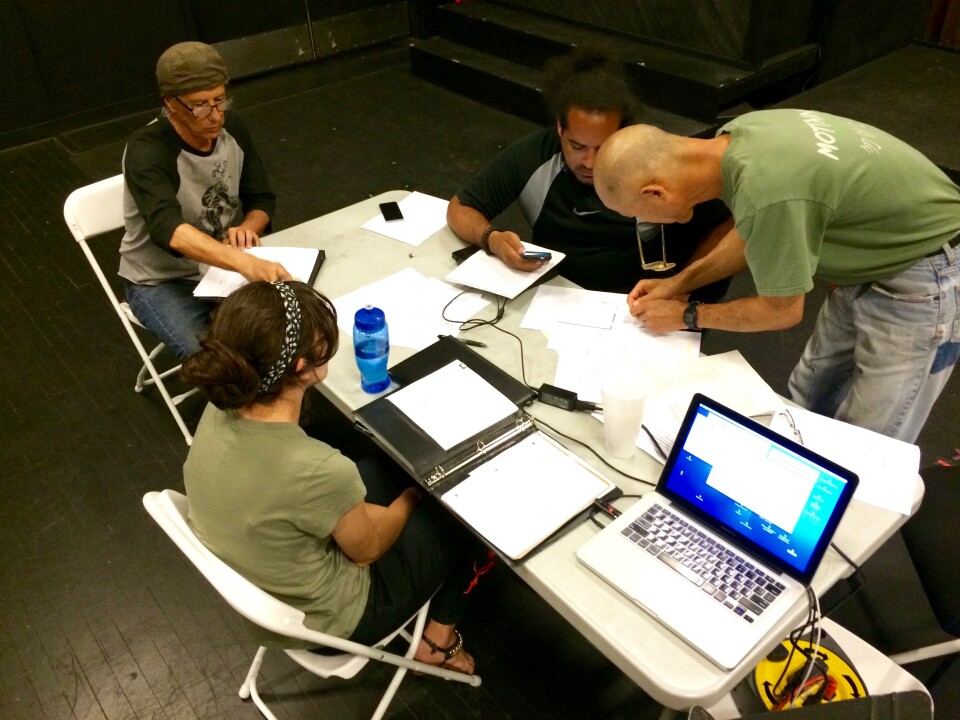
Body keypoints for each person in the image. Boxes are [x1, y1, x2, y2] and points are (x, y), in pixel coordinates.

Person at [593, 109, 960, 442]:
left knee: (869, 439)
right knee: (805, 400)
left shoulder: (768, 187)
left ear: (656, 192)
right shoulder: (738, 137)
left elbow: (781, 311)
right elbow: (756, 230)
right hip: (874, 252)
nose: (645, 222)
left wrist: (687, 315)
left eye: (638, 214)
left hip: (927, 270)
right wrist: (678, 284)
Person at [181, 280, 488, 673]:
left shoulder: (221, 406)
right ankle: (437, 640)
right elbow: (367, 551)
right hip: (339, 620)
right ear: (301, 367)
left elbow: (309, 494)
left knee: (378, 468)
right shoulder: (317, 468)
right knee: (470, 510)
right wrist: (408, 501)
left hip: (268, 585)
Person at [447, 47, 732, 295]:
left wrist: (683, 288)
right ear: (560, 128)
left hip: (637, 306)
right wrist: (491, 238)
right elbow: (460, 208)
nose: (591, 163)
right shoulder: (533, 157)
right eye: (578, 146)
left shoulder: (656, 162)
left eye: (603, 146)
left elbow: (727, 224)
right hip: (553, 296)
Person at [119, 41, 290, 359]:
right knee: (219, 363)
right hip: (160, 281)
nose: (215, 116)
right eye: (199, 105)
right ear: (170, 103)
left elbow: (261, 198)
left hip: (220, 266)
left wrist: (248, 229)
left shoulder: (232, 127)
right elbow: (169, 229)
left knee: (282, 335)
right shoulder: (148, 149)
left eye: (219, 100)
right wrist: (244, 262)